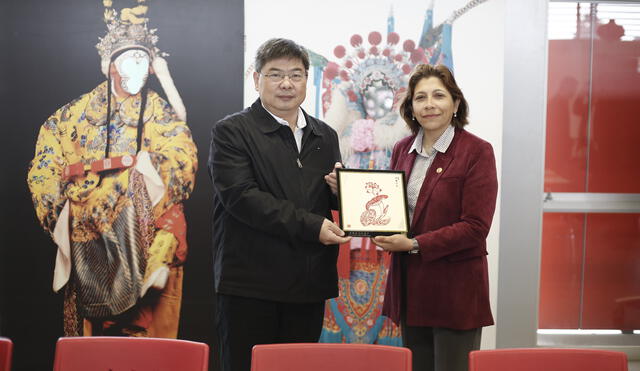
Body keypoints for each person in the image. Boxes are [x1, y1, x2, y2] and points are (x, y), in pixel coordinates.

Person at [26, 3, 197, 337]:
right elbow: (42, 168)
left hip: (139, 225)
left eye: (144, 60)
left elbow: (182, 149)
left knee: (148, 340)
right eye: (132, 60)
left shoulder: (157, 111)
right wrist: (69, 207)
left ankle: (154, 266)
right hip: (87, 229)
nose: (140, 68)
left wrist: (141, 173)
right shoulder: (70, 117)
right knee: (92, 345)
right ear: (109, 66)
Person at [208, 38, 351, 371]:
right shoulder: (231, 132)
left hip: (308, 284)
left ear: (306, 80)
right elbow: (241, 198)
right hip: (250, 286)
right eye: (275, 74)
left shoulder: (325, 135)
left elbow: (321, 196)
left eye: (296, 75)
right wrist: (313, 226)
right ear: (256, 79)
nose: (286, 84)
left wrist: (341, 190)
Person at [373, 64, 498, 371]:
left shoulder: (476, 151)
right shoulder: (403, 149)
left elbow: (475, 228)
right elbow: (394, 209)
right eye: (420, 98)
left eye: (439, 96)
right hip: (411, 287)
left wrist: (413, 243)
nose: (429, 104)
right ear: (411, 108)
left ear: (455, 104)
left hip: (455, 292)